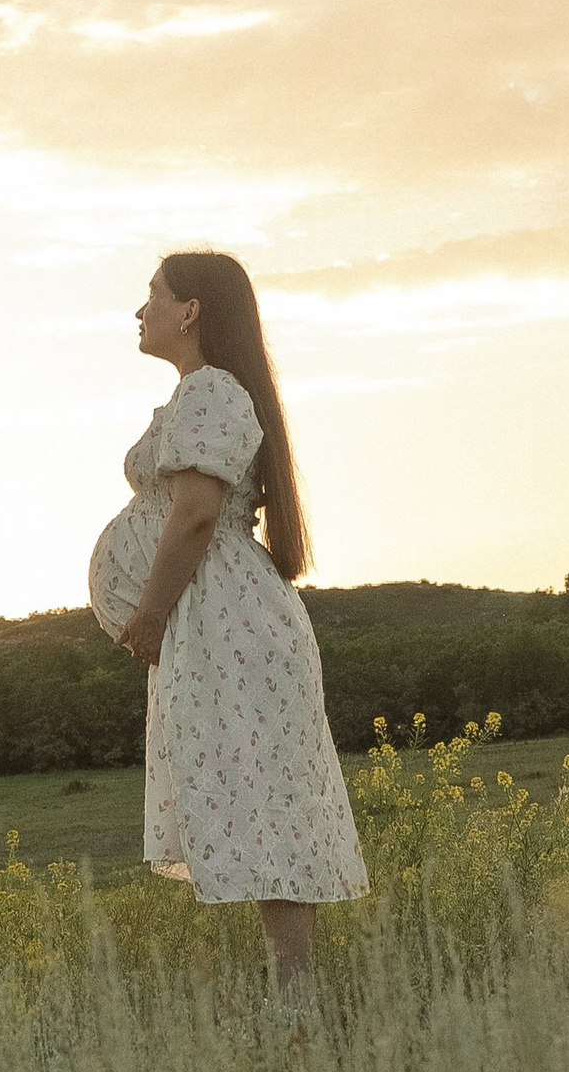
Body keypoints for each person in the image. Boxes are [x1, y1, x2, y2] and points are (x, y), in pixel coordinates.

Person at [88, 250, 366, 998]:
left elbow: (196, 514)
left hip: (225, 622)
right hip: (216, 623)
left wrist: (147, 615)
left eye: (153, 295)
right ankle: (293, 993)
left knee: (267, 797)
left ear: (192, 311)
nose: (140, 309)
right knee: (258, 795)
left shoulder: (211, 390)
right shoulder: (200, 394)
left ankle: (298, 998)